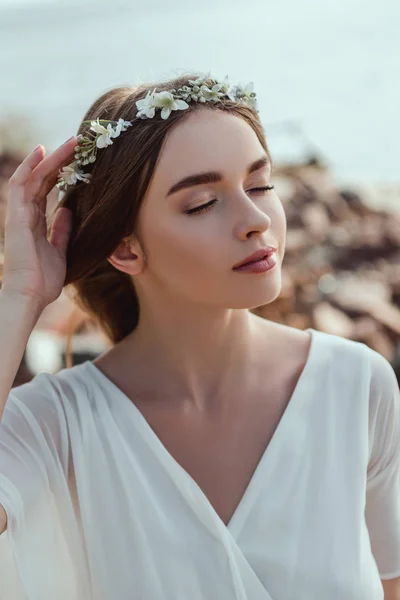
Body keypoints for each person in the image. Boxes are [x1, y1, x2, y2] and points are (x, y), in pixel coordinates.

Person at [0, 72, 399, 600]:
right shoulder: (52, 426)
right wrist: (21, 292)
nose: (256, 220)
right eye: (202, 203)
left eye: (260, 184)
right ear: (126, 249)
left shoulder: (357, 386)